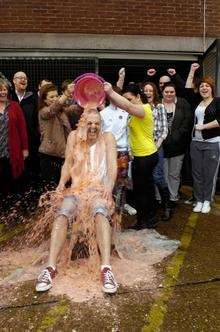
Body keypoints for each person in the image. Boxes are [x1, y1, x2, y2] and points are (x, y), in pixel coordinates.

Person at [36, 109, 118, 294]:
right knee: (62, 212)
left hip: (98, 189)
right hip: (78, 189)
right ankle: (50, 268)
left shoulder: (108, 138)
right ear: (82, 124)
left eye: (97, 123)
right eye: (89, 123)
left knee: (100, 211)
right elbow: (67, 164)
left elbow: (112, 165)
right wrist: (60, 185)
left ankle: (106, 268)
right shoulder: (74, 137)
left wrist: (109, 187)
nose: (93, 127)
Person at [104, 82, 158, 229]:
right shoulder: (136, 111)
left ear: (138, 97)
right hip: (142, 155)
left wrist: (110, 92)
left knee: (142, 190)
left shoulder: (144, 109)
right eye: (125, 98)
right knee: (145, 189)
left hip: (146, 156)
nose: (127, 102)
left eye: (130, 98)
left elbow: (127, 107)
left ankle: (144, 222)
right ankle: (148, 220)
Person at [100, 84, 137, 216]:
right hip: (106, 152)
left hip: (123, 152)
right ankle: (107, 206)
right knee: (107, 180)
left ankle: (120, 208)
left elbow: (128, 133)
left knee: (122, 181)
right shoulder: (102, 113)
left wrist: (130, 150)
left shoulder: (126, 112)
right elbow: (99, 133)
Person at [191, 76, 220, 214]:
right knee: (197, 173)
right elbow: (186, 89)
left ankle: (207, 200)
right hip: (196, 143)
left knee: (209, 174)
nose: (204, 88)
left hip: (212, 143)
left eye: (207, 86)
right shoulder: (198, 103)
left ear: (212, 88)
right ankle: (199, 200)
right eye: (202, 86)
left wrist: (203, 127)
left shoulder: (218, 101)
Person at [162, 82, 193, 210]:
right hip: (161, 146)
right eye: (166, 92)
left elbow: (187, 122)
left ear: (175, 92)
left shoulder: (182, 103)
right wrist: (163, 139)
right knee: (162, 174)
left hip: (177, 146)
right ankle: (162, 198)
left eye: (172, 92)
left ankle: (173, 197)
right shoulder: (158, 104)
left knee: (174, 174)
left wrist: (174, 137)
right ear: (162, 92)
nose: (169, 94)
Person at [143, 82, 171, 221]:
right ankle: (151, 207)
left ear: (154, 92)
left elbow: (165, 129)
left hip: (156, 146)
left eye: (150, 90)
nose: (148, 92)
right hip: (142, 147)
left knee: (158, 175)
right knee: (146, 177)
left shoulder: (160, 107)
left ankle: (167, 206)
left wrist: (157, 144)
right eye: (146, 90)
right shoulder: (140, 107)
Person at [38, 83, 73, 186]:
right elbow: (53, 109)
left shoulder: (61, 111)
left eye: (56, 96)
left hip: (62, 155)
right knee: (50, 188)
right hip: (49, 156)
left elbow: (74, 110)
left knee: (62, 187)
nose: (55, 99)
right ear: (44, 100)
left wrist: (83, 100)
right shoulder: (43, 111)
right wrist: (66, 94)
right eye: (51, 97)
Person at [0, 78, 28, 194]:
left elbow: (22, 129)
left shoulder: (15, 106)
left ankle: (13, 209)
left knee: (12, 183)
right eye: (0, 90)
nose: (3, 92)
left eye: (4, 89)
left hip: (12, 151)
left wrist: (25, 149)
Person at [11, 71, 40, 182]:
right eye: (20, 78)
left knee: (31, 168)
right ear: (14, 80)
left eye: (25, 78)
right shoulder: (8, 96)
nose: (23, 80)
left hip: (31, 139)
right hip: (13, 138)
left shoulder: (33, 98)